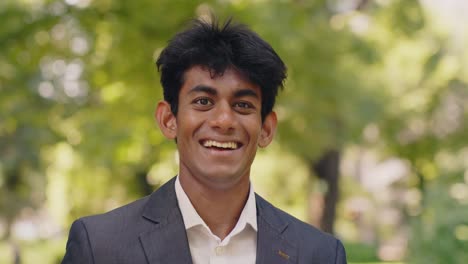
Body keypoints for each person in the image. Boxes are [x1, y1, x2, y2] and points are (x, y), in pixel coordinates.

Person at [62, 17, 347, 264]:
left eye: (243, 105)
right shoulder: (99, 247)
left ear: (266, 129)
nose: (224, 121)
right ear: (168, 120)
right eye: (203, 101)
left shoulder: (319, 254)